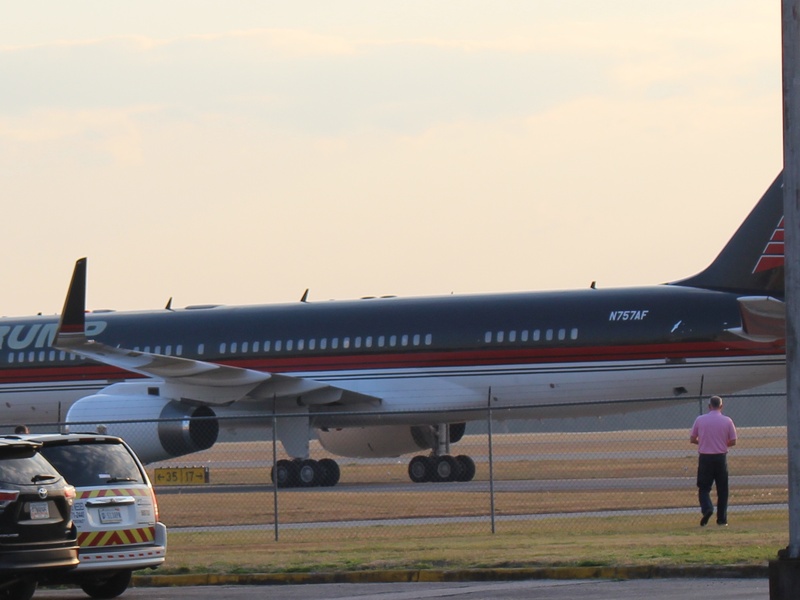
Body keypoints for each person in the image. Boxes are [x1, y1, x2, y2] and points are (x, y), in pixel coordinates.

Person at [690, 395, 737, 526]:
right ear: (721, 406)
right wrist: (722, 444)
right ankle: (722, 519)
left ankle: (707, 508)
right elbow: (733, 440)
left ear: (709, 406)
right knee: (723, 490)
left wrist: (703, 442)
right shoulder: (727, 421)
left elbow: (692, 439)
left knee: (704, 488)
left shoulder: (700, 420)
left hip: (705, 457)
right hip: (720, 457)